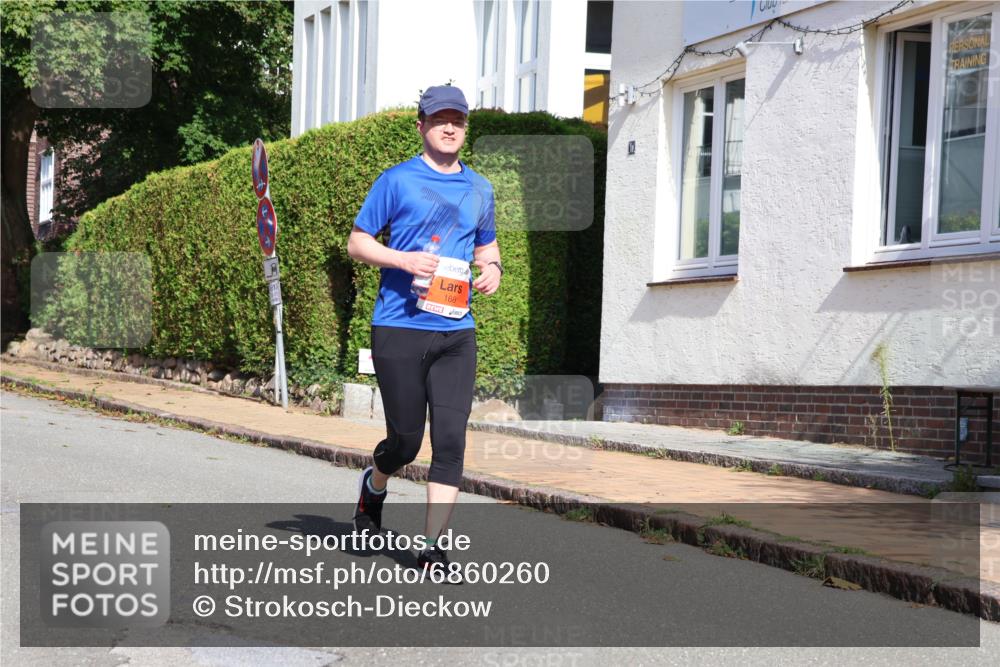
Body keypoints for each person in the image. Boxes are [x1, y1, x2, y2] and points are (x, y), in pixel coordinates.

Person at [346, 85, 502, 577]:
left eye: (457, 119)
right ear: (422, 126)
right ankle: (375, 484)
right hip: (399, 326)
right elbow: (357, 242)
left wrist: (493, 269)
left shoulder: (481, 188)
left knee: (451, 440)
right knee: (407, 442)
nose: (450, 126)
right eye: (439, 119)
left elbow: (487, 247)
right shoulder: (396, 181)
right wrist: (402, 258)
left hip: (457, 330)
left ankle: (432, 546)